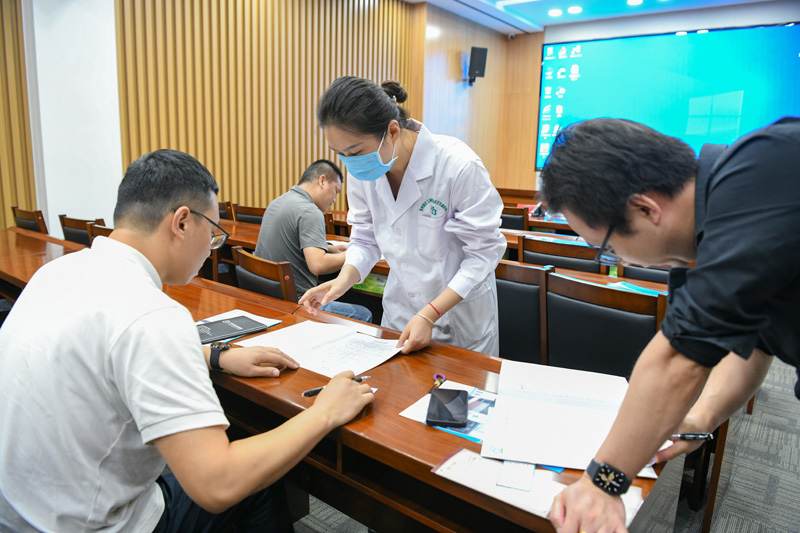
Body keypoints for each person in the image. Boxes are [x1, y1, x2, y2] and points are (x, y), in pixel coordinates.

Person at [0, 149, 374, 532]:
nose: (212, 245)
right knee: (258, 481)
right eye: (212, 233)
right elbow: (217, 485)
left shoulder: (59, 271)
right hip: (93, 525)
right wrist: (324, 412)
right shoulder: (153, 314)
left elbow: (102, 350)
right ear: (181, 222)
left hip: (20, 511)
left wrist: (214, 356)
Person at [539, 117, 800, 532]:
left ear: (645, 208)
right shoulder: (724, 225)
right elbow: (751, 344)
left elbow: (680, 358)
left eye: (607, 248)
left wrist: (602, 482)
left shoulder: (762, 170)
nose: (619, 261)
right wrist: (701, 417)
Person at [300, 76, 506, 355]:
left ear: (393, 131)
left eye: (355, 151)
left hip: (458, 321)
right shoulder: (364, 171)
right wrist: (343, 280)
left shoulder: (458, 166)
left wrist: (430, 313)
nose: (350, 163)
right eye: (340, 154)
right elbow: (365, 239)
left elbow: (483, 255)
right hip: (400, 315)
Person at [254, 159, 372, 322]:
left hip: (267, 295)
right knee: (365, 313)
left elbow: (292, 241)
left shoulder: (278, 202)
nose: (335, 199)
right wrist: (359, 252)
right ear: (322, 181)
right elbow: (318, 265)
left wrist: (329, 248)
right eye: (335, 191)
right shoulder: (310, 211)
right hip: (298, 302)